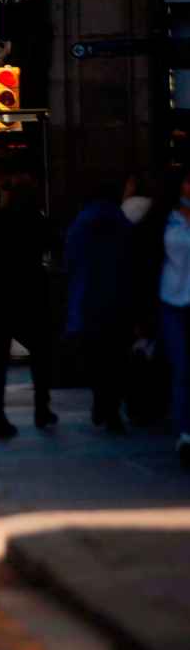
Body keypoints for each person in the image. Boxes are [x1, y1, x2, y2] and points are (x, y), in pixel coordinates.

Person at [0, 182, 58, 439]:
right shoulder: (37, 220)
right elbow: (52, 246)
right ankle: (41, 408)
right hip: (30, 294)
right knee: (41, 354)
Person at [64, 184, 133, 432]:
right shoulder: (122, 223)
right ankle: (112, 409)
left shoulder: (79, 225)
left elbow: (69, 262)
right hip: (117, 300)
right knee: (116, 357)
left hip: (87, 301)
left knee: (95, 356)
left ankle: (100, 399)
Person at [134, 169, 190, 466]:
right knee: (182, 368)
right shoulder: (163, 221)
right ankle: (185, 433)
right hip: (172, 302)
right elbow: (146, 264)